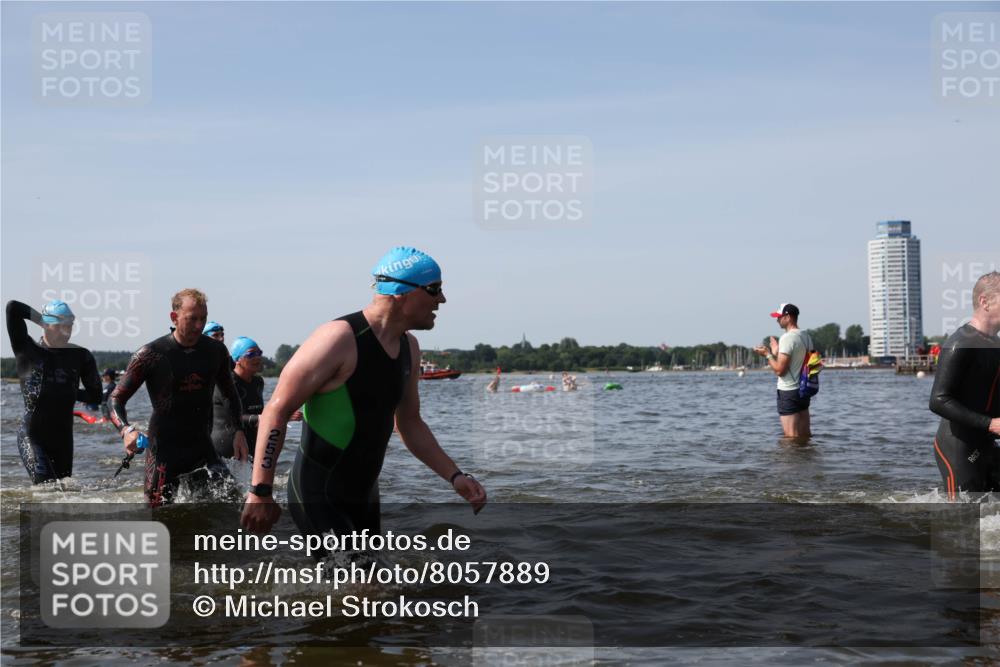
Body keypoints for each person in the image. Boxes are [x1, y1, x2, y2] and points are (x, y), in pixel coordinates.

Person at [240, 247, 487, 542]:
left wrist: (455, 476)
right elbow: (276, 411)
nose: (442, 300)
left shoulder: (410, 348)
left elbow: (409, 422)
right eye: (434, 289)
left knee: (377, 585)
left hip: (365, 494)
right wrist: (260, 490)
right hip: (318, 491)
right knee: (363, 585)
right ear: (401, 292)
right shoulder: (337, 339)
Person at [109, 289, 248, 506]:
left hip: (202, 446)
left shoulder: (216, 351)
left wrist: (238, 430)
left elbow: (230, 393)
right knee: (157, 514)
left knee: (233, 505)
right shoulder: (150, 354)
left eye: (203, 319)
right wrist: (126, 430)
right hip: (164, 451)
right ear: (174, 318)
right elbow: (115, 399)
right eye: (192, 319)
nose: (199, 325)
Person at [5, 299, 101, 483]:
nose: (66, 331)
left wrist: (66, 390)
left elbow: (95, 395)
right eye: (60, 326)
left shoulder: (81, 356)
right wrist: (41, 319)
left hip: (63, 438)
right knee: (45, 486)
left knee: (63, 492)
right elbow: (12, 308)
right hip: (33, 435)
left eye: (70, 326)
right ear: (46, 325)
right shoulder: (27, 348)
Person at [929, 271, 1000, 499]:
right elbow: (938, 400)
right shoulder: (960, 343)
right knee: (965, 524)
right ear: (984, 301)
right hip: (958, 448)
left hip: (987, 444)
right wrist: (989, 424)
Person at [211, 336, 302, 459]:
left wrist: (284, 416)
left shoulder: (258, 382)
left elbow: (258, 413)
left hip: (252, 444)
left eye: (259, 353)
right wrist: (264, 418)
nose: (257, 357)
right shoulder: (226, 383)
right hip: (226, 444)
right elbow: (233, 418)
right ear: (237, 359)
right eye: (251, 354)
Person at [754, 303, 813, 441]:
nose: (777, 320)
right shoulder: (806, 336)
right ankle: (806, 460)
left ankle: (791, 462)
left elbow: (780, 370)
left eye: (779, 317)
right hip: (804, 390)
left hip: (788, 391)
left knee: (791, 437)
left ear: (788, 317)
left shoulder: (787, 338)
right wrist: (776, 352)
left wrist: (767, 355)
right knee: (805, 434)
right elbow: (796, 362)